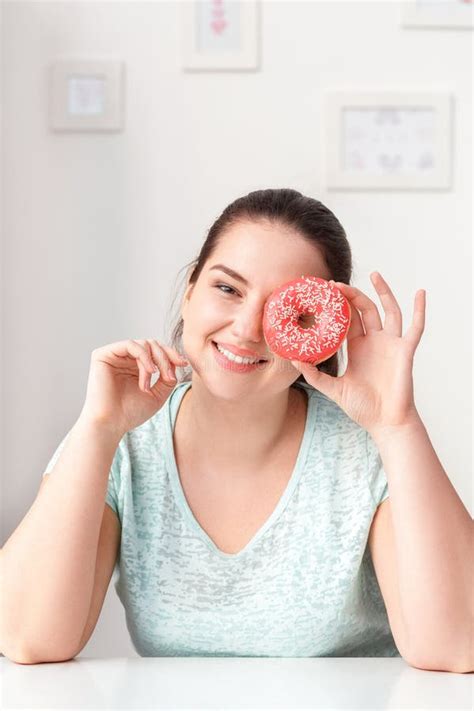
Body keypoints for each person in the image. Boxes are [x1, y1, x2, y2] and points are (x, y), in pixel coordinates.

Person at [4, 188, 467, 668]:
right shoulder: (121, 441)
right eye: (227, 288)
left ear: (322, 334)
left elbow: (457, 645)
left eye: (289, 312)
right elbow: (29, 638)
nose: (247, 329)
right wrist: (99, 429)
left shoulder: (368, 448)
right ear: (189, 294)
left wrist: (397, 426)